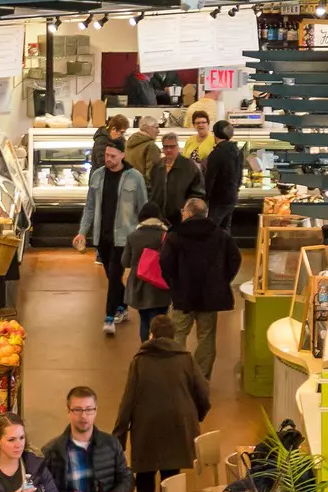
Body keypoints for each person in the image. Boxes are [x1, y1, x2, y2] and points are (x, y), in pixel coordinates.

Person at [114, 316, 212, 492]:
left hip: (146, 424)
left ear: (152, 334)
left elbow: (128, 399)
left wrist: (120, 434)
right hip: (177, 423)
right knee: (171, 472)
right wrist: (197, 415)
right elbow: (203, 393)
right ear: (174, 335)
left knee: (146, 471)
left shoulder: (140, 360)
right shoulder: (186, 358)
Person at [159, 197, 241, 383]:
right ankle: (201, 377)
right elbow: (235, 259)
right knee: (206, 336)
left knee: (177, 333)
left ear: (187, 213)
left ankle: (177, 374)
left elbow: (165, 262)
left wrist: (174, 284)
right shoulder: (221, 235)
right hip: (210, 295)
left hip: (183, 295)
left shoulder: (175, 235)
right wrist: (222, 280)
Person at [78, 138, 150, 336]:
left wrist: (142, 234)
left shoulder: (135, 178)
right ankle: (123, 306)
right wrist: (82, 231)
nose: (107, 159)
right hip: (102, 236)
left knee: (115, 274)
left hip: (124, 238)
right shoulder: (98, 176)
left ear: (122, 155)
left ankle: (109, 318)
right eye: (106, 156)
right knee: (112, 276)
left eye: (112, 156)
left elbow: (143, 207)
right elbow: (90, 206)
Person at [123, 209, 174, 337]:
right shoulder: (167, 235)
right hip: (161, 286)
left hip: (139, 286)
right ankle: (160, 349)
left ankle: (147, 350)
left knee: (145, 321)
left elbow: (125, 262)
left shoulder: (133, 236)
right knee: (161, 323)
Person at [200, 121, 243, 226]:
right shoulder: (237, 151)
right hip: (232, 195)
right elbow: (240, 176)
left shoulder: (216, 154)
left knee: (211, 228)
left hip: (219, 197)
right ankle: (225, 242)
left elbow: (210, 178)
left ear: (215, 134)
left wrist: (205, 197)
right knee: (225, 227)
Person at [155, 129, 202, 223]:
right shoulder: (158, 166)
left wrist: (187, 210)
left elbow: (198, 193)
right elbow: (153, 190)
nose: (168, 150)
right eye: (166, 147)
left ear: (178, 147)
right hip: (159, 218)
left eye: (172, 147)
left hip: (181, 218)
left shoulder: (189, 166)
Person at [125, 115, 163, 184]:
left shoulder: (128, 143)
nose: (158, 131)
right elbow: (152, 175)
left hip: (127, 186)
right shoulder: (151, 146)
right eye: (156, 128)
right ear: (148, 128)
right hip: (143, 189)